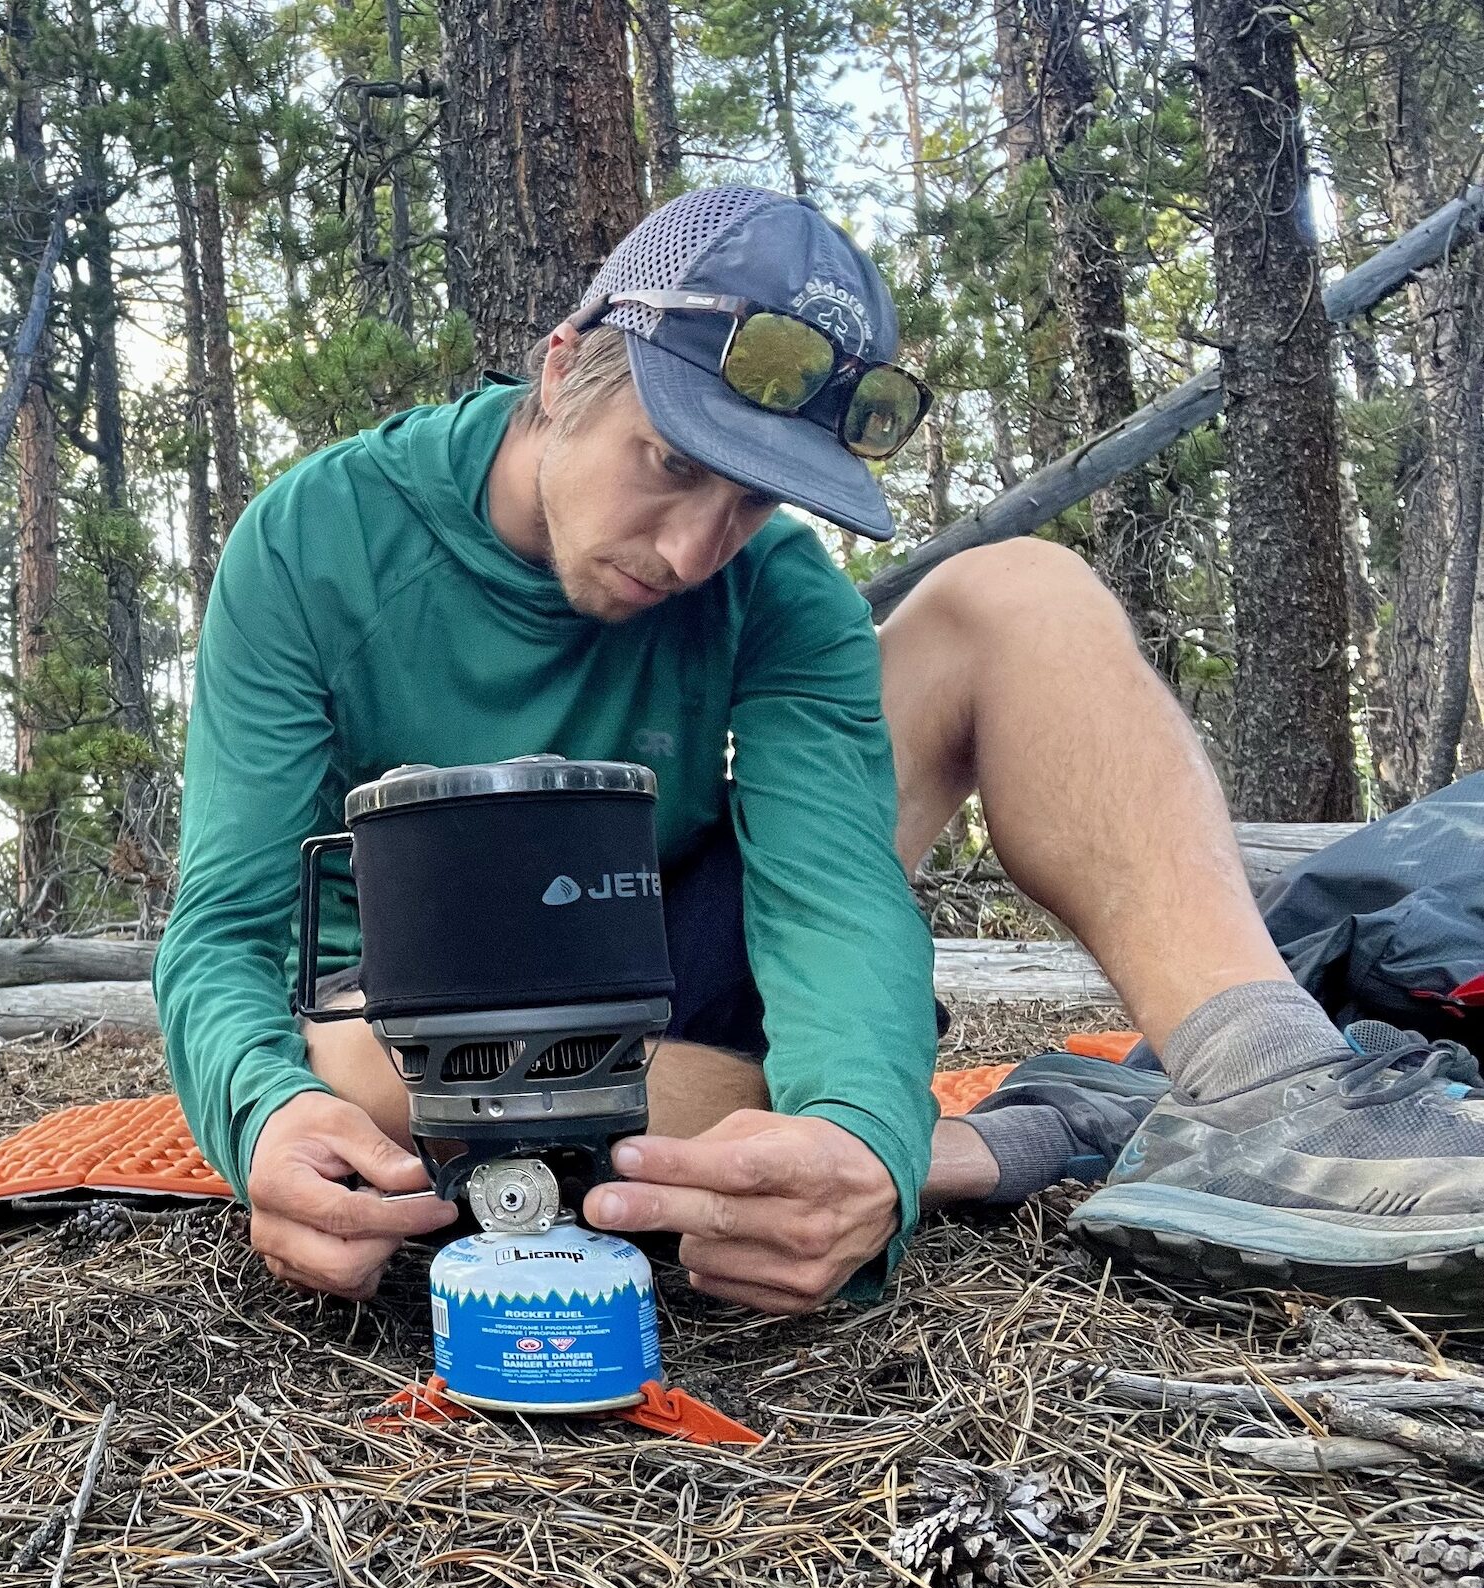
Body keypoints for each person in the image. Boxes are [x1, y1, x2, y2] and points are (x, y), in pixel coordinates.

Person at [153, 184, 1484, 1315]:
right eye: (669, 462)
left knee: (1016, 594)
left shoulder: (771, 589)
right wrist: (264, 1115)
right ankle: (1014, 1135)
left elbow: (834, 890)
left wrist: (854, 1143)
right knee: (381, 1090)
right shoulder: (319, 542)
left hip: (666, 947)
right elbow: (222, 937)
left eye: (749, 501)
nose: (691, 549)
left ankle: (1277, 1088)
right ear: (563, 371)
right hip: (422, 1000)